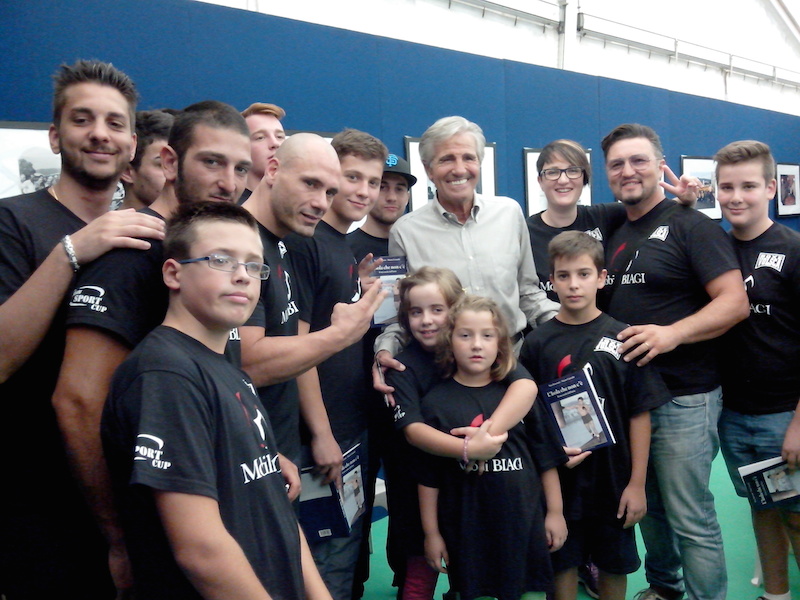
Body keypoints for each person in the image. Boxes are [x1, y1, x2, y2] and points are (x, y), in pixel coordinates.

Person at [51, 100, 253, 594]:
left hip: (207, 508)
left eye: (241, 168)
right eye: (212, 162)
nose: (229, 182)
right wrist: (118, 534)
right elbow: (77, 402)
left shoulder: (216, 258)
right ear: (168, 163)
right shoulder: (132, 254)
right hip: (151, 531)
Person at [101, 201, 333, 600]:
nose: (242, 276)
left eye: (253, 265)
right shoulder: (166, 374)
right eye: (222, 260)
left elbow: (275, 507)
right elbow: (201, 550)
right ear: (173, 273)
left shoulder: (227, 367)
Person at [0, 59, 166, 599]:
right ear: (54, 136)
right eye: (82, 119)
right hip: (39, 493)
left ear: (133, 143)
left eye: (115, 123)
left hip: (133, 480)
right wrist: (72, 253)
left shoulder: (146, 233)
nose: (100, 133)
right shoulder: (14, 221)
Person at [599, 123, 749, 600]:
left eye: (639, 160)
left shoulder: (692, 225)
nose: (628, 171)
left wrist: (672, 334)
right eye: (617, 163)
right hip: (631, 401)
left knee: (689, 515)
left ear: (659, 165)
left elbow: (734, 303)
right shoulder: (614, 228)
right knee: (651, 508)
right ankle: (666, 587)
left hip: (685, 397)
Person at [387, 267, 554, 600]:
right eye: (416, 312)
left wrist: (485, 438)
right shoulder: (401, 365)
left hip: (483, 493)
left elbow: (525, 386)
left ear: (455, 312)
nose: (427, 320)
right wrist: (468, 450)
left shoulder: (487, 356)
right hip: (422, 481)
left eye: (438, 309)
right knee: (422, 562)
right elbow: (414, 431)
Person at [521, 231, 671, 600]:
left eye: (584, 274)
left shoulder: (624, 338)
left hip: (613, 481)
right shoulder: (537, 342)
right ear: (551, 281)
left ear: (602, 278)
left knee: (614, 565)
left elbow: (639, 414)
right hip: (561, 482)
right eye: (564, 275)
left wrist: (636, 484)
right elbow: (530, 418)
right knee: (563, 562)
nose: (574, 284)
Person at [284, 128, 388, 600]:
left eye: (373, 181)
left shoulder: (341, 248)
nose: (363, 191)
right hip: (323, 436)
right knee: (327, 558)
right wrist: (323, 433)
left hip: (351, 429)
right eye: (351, 178)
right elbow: (301, 348)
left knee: (347, 552)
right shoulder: (308, 242)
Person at [240, 132, 385, 467]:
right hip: (272, 445)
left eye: (329, 190)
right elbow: (249, 363)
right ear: (272, 170)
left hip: (288, 440)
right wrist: (322, 433)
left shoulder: (293, 239)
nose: (321, 201)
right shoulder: (253, 242)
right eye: (310, 183)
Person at [713, 140, 800, 600]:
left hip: (783, 416)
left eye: (748, 185)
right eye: (726, 187)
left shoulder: (793, 249)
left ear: (770, 187)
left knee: (798, 516)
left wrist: (799, 425)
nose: (736, 196)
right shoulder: (715, 249)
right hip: (733, 414)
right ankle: (775, 594)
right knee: (763, 509)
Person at [345, 151, 415, 598]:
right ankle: (353, 582)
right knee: (357, 500)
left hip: (407, 390)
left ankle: (407, 580)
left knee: (411, 495)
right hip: (356, 397)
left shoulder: (416, 245)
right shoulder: (345, 248)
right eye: (381, 185)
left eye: (399, 187)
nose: (390, 195)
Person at [527, 139, 702, 303]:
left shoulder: (607, 216)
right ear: (540, 181)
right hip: (547, 332)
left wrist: (687, 200)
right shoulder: (525, 233)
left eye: (573, 171)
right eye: (552, 172)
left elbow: (656, 213)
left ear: (584, 178)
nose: (563, 180)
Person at [120, 109, 174, 210]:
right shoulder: (100, 225)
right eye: (162, 164)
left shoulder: (196, 224)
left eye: (180, 164)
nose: (175, 173)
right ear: (127, 172)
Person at [241, 101, 286, 200]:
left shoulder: (295, 206)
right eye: (260, 137)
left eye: (279, 136)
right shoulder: (230, 210)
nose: (275, 143)